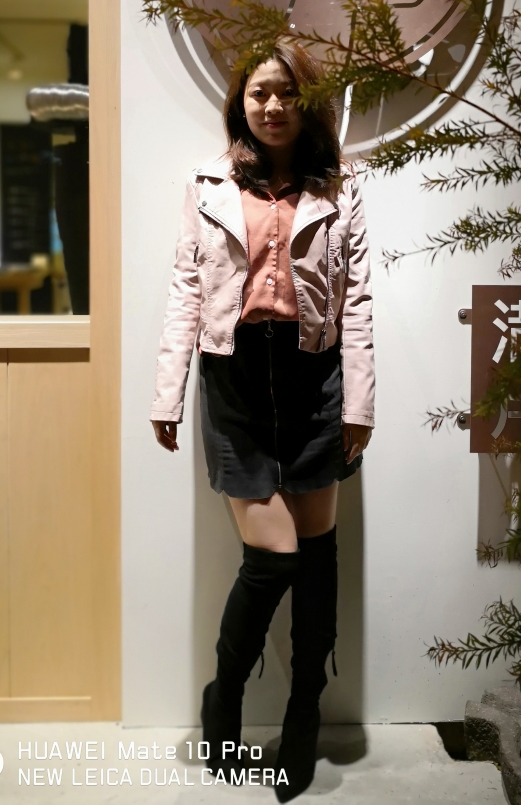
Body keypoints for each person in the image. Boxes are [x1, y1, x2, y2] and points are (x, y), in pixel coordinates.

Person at [150, 41, 374, 801]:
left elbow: (358, 300)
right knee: (274, 555)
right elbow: (185, 289)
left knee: (317, 558)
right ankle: (225, 699)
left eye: (286, 93)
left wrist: (359, 403)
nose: (272, 106)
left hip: (316, 375)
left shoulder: (341, 185)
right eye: (258, 93)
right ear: (239, 101)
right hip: (235, 378)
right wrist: (168, 393)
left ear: (307, 103)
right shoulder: (207, 184)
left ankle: (304, 713)